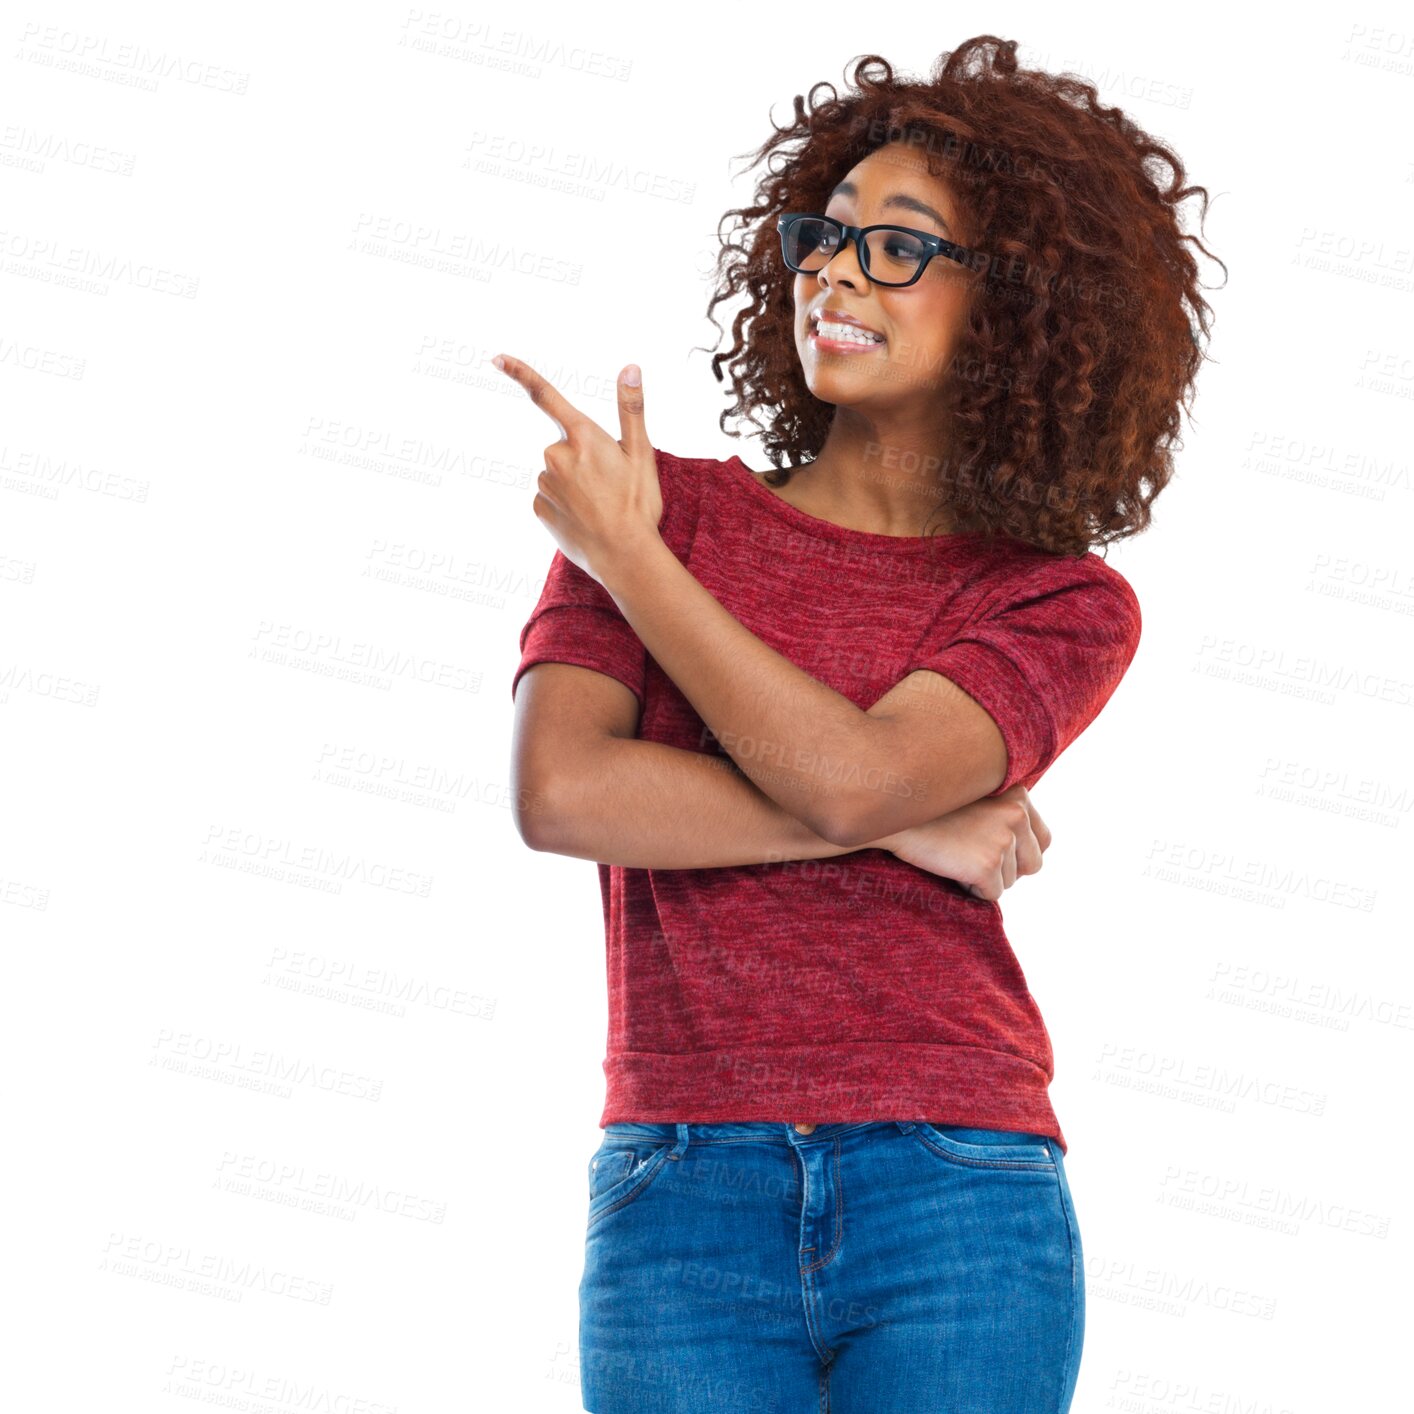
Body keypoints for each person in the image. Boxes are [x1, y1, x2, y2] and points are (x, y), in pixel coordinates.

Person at [502, 36, 1219, 1414]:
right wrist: (920, 828)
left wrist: (635, 568)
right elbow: (564, 793)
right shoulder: (677, 505)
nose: (831, 271)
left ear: (1021, 306)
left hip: (955, 1179)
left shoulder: (1056, 598)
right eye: (822, 237)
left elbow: (851, 779)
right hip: (676, 1176)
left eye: (897, 248)